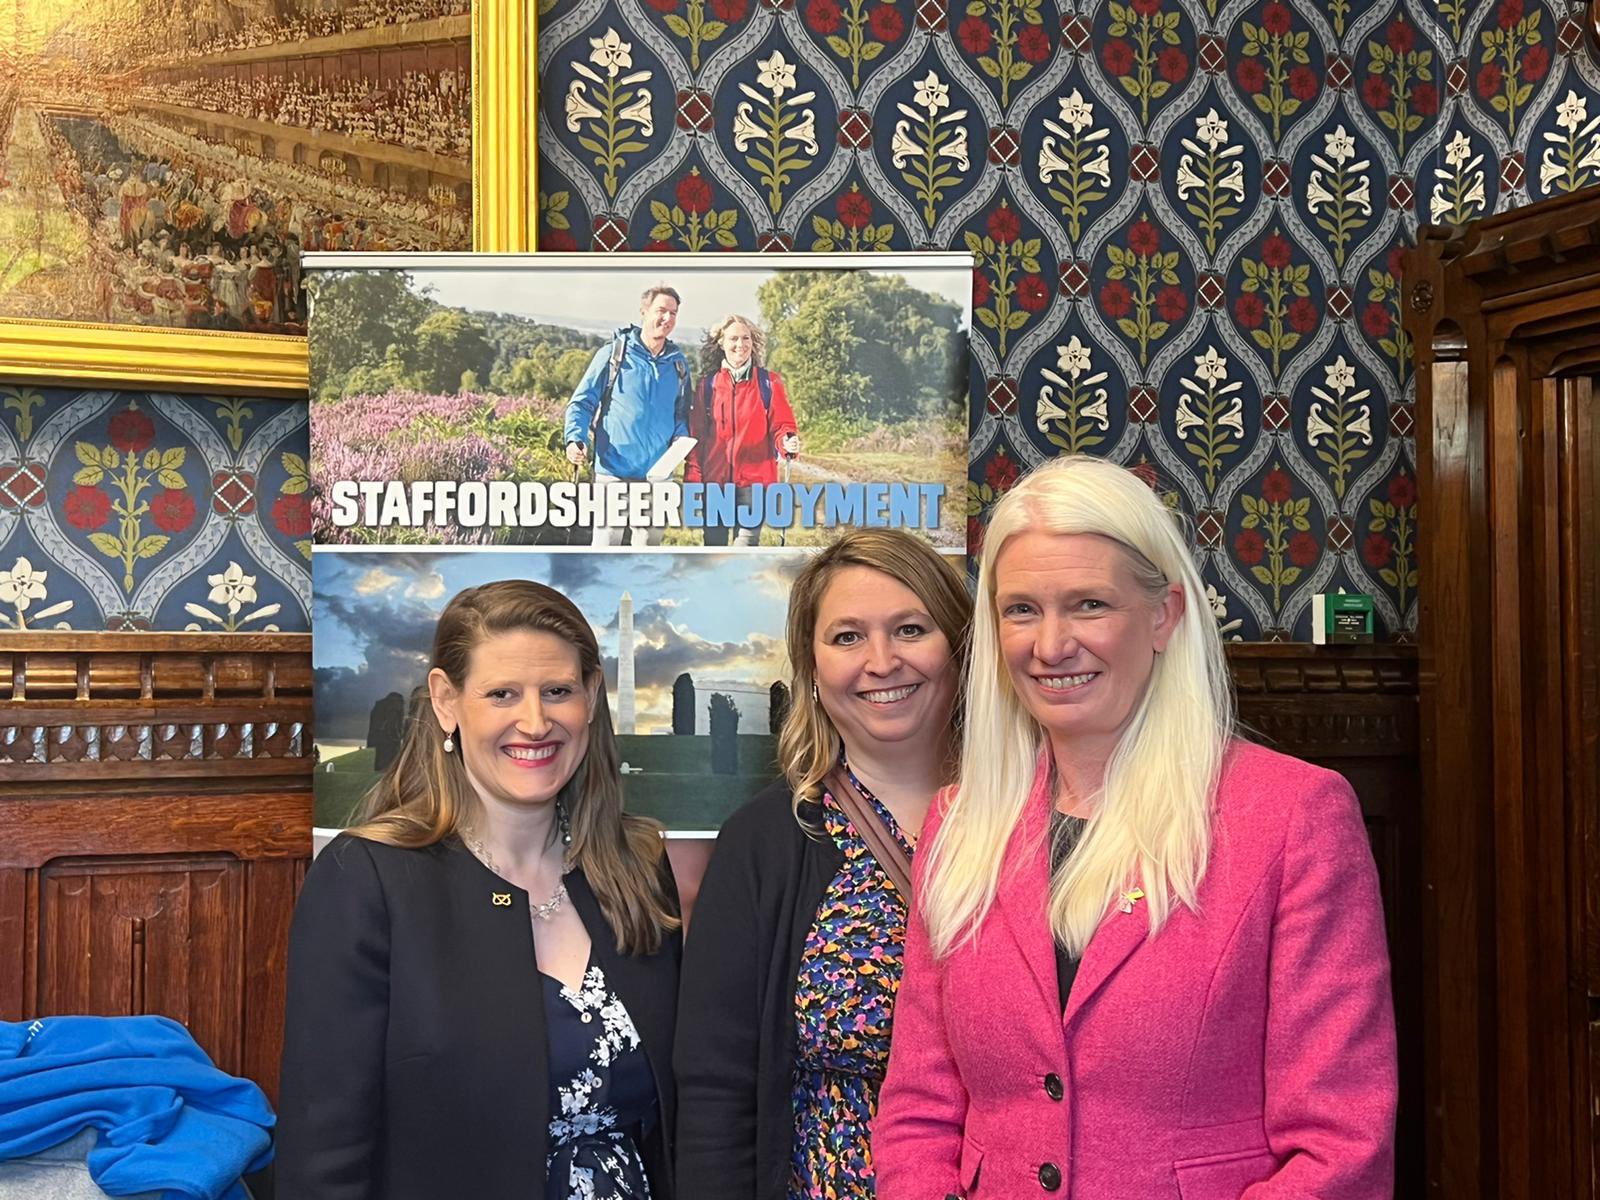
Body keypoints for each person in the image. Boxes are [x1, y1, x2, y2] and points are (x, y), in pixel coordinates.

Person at [873, 455, 1397, 1198]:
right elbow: (919, 1114)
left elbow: (1342, 1144)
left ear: (1164, 616)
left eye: (1088, 604)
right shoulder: (960, 823)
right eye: (1022, 609)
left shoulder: (1293, 816)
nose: (1051, 645)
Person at [277, 580, 682, 1200]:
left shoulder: (636, 866)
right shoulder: (366, 881)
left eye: (558, 691)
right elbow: (324, 1155)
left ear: (591, 696)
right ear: (446, 701)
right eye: (502, 694)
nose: (535, 721)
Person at [675, 529, 973, 1200]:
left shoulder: (1037, 818)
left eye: (910, 628)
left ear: (959, 645)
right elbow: (715, 1092)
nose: (881, 660)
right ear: (811, 668)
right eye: (846, 638)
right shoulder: (764, 844)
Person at [564, 285, 692, 547]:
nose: (667, 318)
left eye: (673, 313)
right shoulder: (613, 355)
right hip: (613, 473)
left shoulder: (678, 364)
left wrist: (682, 439)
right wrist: (575, 439)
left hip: (657, 479)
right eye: (661, 311)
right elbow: (582, 403)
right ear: (644, 312)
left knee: (647, 556)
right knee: (604, 552)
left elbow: (681, 413)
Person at [683, 314, 801, 547]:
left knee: (744, 552)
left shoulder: (769, 383)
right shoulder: (707, 385)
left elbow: (782, 425)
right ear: (721, 343)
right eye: (733, 338)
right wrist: (693, 479)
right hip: (715, 486)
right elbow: (697, 437)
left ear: (753, 342)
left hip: (754, 486)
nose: (740, 345)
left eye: (746, 338)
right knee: (714, 554)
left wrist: (787, 441)